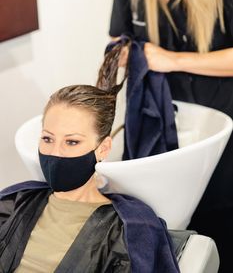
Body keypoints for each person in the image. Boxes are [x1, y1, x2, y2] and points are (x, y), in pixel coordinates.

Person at [109, 0, 233, 272]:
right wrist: (125, 55)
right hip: (155, 125)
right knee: (160, 226)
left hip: (219, 125)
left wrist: (173, 59)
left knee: (218, 225)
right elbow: (119, 41)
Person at [0, 84, 179, 273]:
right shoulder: (17, 201)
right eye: (47, 139)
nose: (55, 153)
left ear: (103, 148)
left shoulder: (129, 228)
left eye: (72, 142)